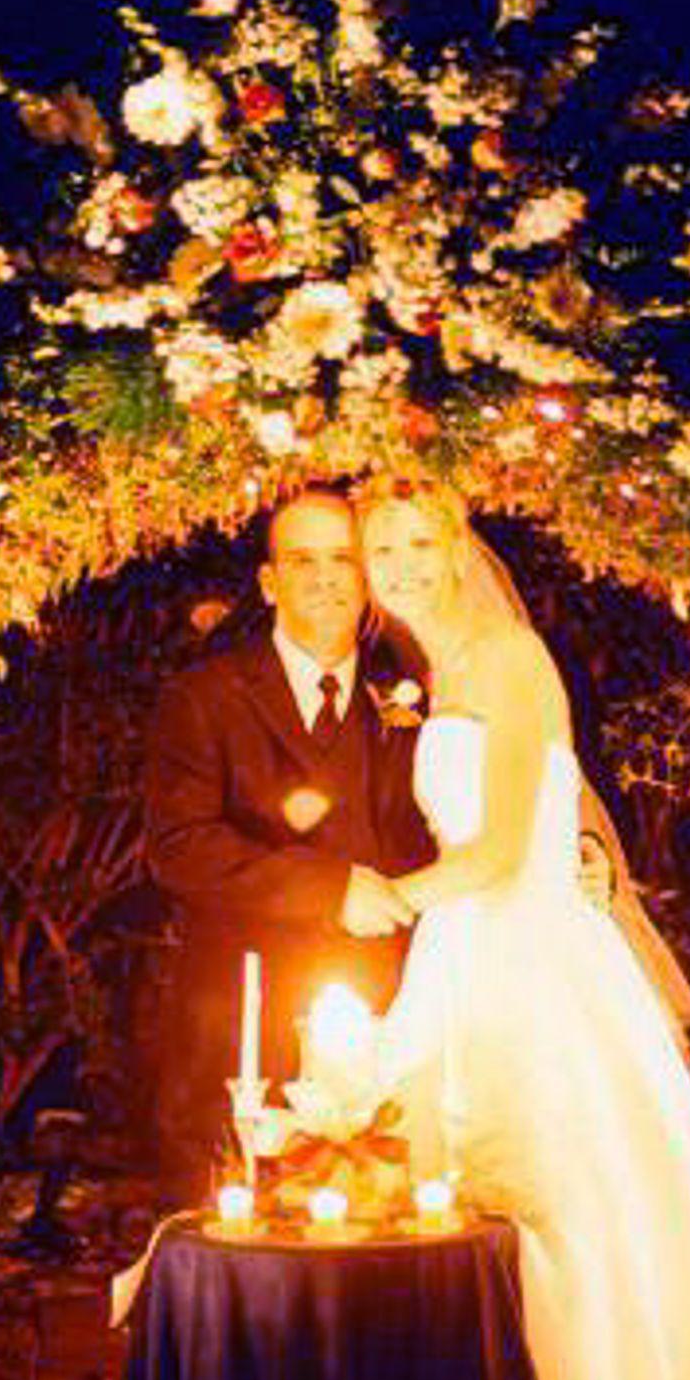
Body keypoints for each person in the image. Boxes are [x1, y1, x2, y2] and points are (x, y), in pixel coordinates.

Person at [349, 472, 690, 1380]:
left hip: (523, 963)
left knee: (562, 1231)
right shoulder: (438, 670)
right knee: (461, 1228)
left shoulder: (505, 662)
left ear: (458, 549)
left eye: (418, 543)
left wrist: (388, 895)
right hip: (467, 954)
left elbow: (498, 856)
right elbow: (550, 817)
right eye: (381, 549)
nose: (400, 565)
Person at [142, 488, 431, 1204]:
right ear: (270, 583)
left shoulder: (418, 693)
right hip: (243, 1023)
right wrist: (329, 889)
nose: (327, 578)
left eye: (343, 559)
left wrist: (575, 850)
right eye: (303, 562)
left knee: (383, 1234)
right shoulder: (203, 696)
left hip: (389, 1019)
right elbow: (179, 845)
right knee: (232, 1240)